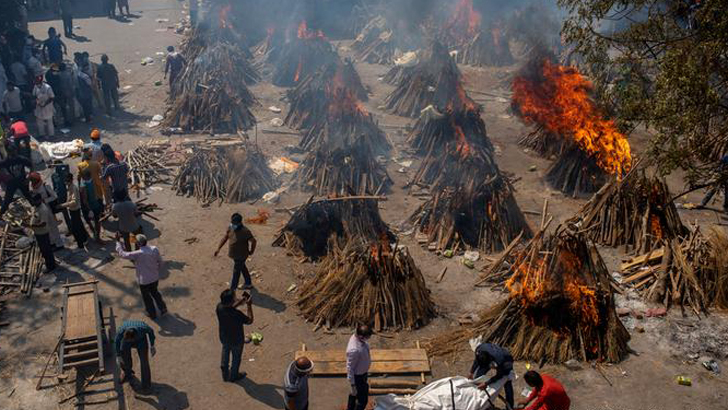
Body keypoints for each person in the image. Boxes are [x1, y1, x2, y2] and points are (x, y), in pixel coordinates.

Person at [116, 234, 168, 319]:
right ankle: (163, 308)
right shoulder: (154, 249)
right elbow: (161, 262)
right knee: (155, 293)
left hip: (144, 281)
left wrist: (118, 243)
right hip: (154, 278)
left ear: (138, 244)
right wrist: (155, 270)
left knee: (147, 298)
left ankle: (152, 314)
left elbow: (123, 254)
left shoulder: (137, 254)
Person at [216, 289, 254, 382]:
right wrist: (249, 306)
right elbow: (249, 320)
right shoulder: (237, 314)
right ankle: (234, 375)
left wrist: (239, 303)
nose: (236, 299)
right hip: (236, 340)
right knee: (236, 358)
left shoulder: (219, 307)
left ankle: (224, 369)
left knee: (225, 350)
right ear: (231, 302)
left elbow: (229, 308)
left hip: (224, 336)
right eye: (234, 298)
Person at [214, 213, 257, 290]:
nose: (232, 224)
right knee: (242, 267)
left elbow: (254, 241)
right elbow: (225, 237)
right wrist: (218, 248)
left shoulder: (245, 231)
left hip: (241, 255)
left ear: (239, 223)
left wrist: (251, 251)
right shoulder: (230, 227)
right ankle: (248, 283)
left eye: (234, 223)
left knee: (236, 272)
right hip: (234, 254)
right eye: (232, 222)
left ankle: (232, 290)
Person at [469, 342, 515, 410]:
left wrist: (486, 383)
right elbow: (476, 360)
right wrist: (471, 372)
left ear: (490, 360)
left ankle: (510, 406)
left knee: (507, 382)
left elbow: (499, 375)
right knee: (477, 379)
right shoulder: (479, 349)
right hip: (492, 358)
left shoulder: (500, 360)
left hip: (506, 361)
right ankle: (479, 402)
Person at [115, 320, 156, 390]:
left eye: (130, 341)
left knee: (144, 362)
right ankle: (127, 373)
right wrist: (118, 355)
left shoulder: (143, 328)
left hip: (141, 341)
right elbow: (117, 341)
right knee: (124, 356)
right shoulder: (121, 331)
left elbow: (151, 331)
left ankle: (146, 385)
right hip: (125, 341)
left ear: (134, 338)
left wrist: (152, 345)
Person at [29, 172, 64, 250]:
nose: (32, 182)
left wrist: (45, 201)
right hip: (39, 208)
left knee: (53, 226)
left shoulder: (45, 185)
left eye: (33, 180)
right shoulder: (33, 187)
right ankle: (52, 243)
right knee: (47, 227)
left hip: (48, 208)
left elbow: (54, 196)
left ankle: (59, 244)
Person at [25, 194, 57, 272]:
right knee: (44, 250)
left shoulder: (43, 210)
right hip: (38, 233)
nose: (33, 202)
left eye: (34, 201)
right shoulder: (37, 207)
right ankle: (50, 262)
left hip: (43, 233)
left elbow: (43, 224)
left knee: (46, 250)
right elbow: (35, 216)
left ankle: (51, 266)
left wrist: (30, 225)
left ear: (39, 200)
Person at [0, 147, 33, 218]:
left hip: (22, 181)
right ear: (8, 154)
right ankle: (1, 213)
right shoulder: (7, 161)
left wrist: (28, 177)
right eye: (12, 154)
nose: (13, 155)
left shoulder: (21, 159)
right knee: (7, 200)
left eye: (14, 153)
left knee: (28, 196)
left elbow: (31, 166)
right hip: (12, 182)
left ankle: (38, 210)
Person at [58, 173, 88, 249]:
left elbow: (74, 202)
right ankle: (84, 239)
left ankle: (80, 245)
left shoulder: (73, 188)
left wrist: (63, 205)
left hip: (75, 210)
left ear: (70, 180)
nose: (66, 182)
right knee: (80, 225)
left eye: (67, 181)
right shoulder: (69, 187)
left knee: (75, 229)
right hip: (73, 210)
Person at [346, 325, 372, 410]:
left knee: (355, 394)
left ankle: (350, 408)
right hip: (358, 377)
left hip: (362, 374)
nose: (368, 339)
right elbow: (350, 368)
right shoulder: (354, 350)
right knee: (362, 400)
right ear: (361, 336)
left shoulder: (359, 339)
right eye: (367, 337)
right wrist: (353, 384)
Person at [79, 168, 103, 242]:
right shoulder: (89, 183)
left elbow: (85, 199)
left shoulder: (86, 184)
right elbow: (85, 199)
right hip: (93, 205)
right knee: (97, 221)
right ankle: (97, 236)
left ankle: (96, 235)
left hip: (92, 204)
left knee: (95, 221)